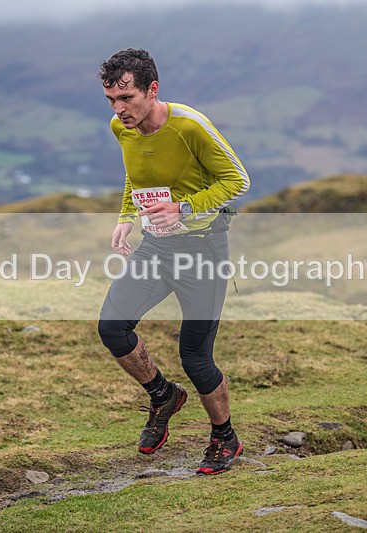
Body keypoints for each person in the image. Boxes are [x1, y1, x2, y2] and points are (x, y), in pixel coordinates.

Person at [96, 49, 251, 475]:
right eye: (111, 99)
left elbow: (238, 180)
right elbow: (136, 174)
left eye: (126, 97)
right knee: (112, 328)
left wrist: (183, 209)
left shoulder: (189, 125)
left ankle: (225, 438)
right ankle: (163, 395)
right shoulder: (120, 127)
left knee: (195, 356)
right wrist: (127, 218)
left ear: (153, 89)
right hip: (157, 248)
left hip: (204, 250)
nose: (118, 109)